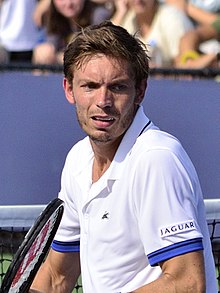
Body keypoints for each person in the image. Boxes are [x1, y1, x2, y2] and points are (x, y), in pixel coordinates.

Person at [30, 21, 217, 292]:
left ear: (140, 91)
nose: (103, 101)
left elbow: (187, 282)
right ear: (69, 90)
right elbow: (57, 276)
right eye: (90, 86)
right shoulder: (78, 159)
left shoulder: (156, 159)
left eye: (117, 87)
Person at [111, 0, 194, 68]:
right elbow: (106, 48)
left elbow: (183, 66)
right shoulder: (126, 18)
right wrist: (120, 12)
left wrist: (160, 71)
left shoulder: (172, 17)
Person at [33, 0, 113, 65]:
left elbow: (94, 56)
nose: (68, 3)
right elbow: (50, 49)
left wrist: (57, 58)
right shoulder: (53, 18)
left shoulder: (99, 16)